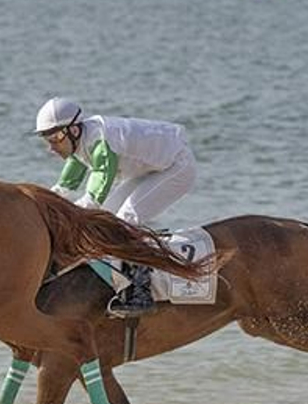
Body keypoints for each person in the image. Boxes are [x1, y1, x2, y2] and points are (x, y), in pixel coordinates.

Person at [33, 97, 197, 312]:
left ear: (73, 130)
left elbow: (93, 199)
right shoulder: (80, 144)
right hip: (152, 170)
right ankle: (118, 278)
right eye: (47, 140)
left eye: (55, 138)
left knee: (125, 219)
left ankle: (140, 290)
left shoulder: (102, 142)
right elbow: (63, 188)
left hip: (177, 166)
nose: (51, 147)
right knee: (107, 217)